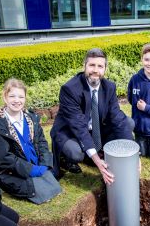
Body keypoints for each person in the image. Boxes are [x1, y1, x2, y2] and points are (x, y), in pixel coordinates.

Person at [50, 48, 134, 185]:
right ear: (84, 66)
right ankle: (67, 157)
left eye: (100, 66)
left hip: (95, 128)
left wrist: (133, 155)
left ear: (105, 69)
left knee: (128, 123)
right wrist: (97, 161)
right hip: (70, 131)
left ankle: (97, 149)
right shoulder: (70, 89)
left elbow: (117, 117)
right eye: (92, 65)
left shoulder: (109, 87)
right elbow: (78, 127)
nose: (95, 70)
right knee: (76, 153)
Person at [0, 78, 61, 205]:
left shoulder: (31, 118)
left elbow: (41, 142)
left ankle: (41, 175)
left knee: (55, 188)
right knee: (43, 193)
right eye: (12, 96)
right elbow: (4, 157)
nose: (17, 100)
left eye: (21, 97)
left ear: (25, 98)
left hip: (36, 165)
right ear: (5, 97)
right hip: (14, 172)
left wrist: (44, 164)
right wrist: (31, 170)